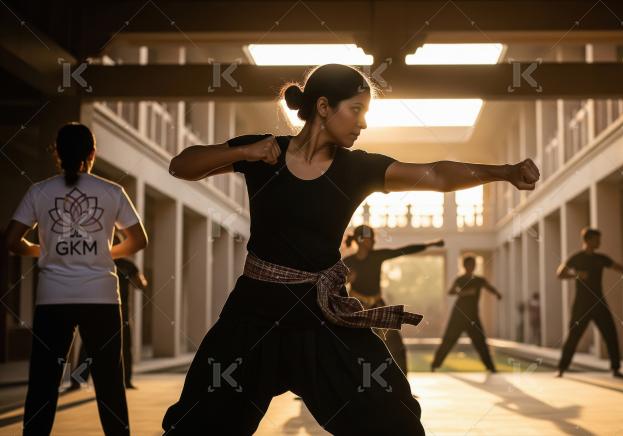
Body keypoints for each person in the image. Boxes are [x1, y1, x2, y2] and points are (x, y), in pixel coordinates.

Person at [161, 63, 540, 435]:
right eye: (356, 110)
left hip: (322, 313)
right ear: (324, 107)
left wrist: (504, 171)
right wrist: (243, 153)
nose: (363, 123)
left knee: (393, 418)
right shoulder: (264, 153)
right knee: (198, 422)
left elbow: (438, 174)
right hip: (252, 315)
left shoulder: (357, 169)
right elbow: (181, 166)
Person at [5, 122, 148, 436]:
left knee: (43, 384)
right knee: (110, 385)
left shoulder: (39, 191)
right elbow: (138, 240)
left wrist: (42, 251)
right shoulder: (112, 191)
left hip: (52, 300)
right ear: (92, 154)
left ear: (57, 154)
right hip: (102, 299)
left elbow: (12, 240)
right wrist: (102, 252)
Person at [342, 224, 443, 375]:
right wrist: (346, 281)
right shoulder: (348, 262)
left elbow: (402, 251)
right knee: (345, 344)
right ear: (361, 239)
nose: (374, 242)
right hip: (357, 308)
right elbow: (333, 286)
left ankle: (403, 387)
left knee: (395, 343)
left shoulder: (377, 256)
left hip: (377, 305)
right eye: (371, 239)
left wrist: (430, 244)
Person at [555, 227, 623, 379]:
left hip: (599, 303)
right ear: (587, 240)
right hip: (581, 305)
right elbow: (560, 274)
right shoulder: (576, 258)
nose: (599, 242)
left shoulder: (600, 258)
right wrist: (576, 275)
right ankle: (561, 368)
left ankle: (615, 369)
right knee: (573, 336)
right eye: (596, 239)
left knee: (610, 334)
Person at [70, 248, 147, 391]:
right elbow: (141, 285)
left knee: (89, 346)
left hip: (97, 309)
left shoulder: (95, 262)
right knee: (123, 347)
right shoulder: (126, 265)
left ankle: (77, 380)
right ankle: (125, 381)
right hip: (116, 311)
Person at [431, 255, 502, 372]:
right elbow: (451, 291)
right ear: (464, 266)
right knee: (448, 339)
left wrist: (497, 294)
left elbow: (489, 287)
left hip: (473, 316)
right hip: (458, 315)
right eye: (469, 264)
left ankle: (491, 367)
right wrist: (464, 292)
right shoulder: (460, 280)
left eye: (473, 264)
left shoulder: (479, 280)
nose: (471, 266)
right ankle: (435, 364)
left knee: (480, 341)